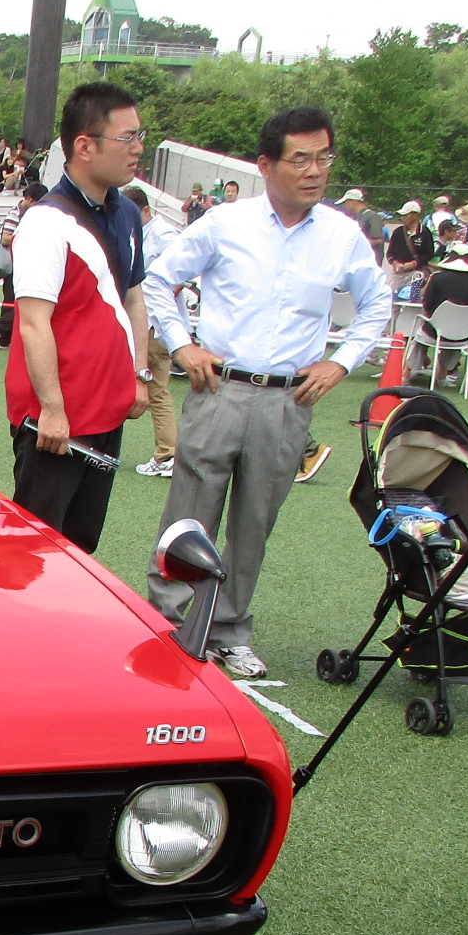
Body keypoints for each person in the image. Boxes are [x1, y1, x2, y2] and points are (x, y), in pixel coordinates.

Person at [142, 105, 390, 679]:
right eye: (299, 158)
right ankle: (170, 621)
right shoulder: (226, 223)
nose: (314, 170)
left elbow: (378, 302)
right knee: (189, 513)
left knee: (255, 519)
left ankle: (228, 628)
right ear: (266, 165)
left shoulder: (340, 235)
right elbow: (160, 280)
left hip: (289, 400)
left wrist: (341, 362)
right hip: (219, 388)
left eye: (323, 157)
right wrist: (181, 345)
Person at [4, 82, 151, 554]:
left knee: (81, 546)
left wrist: (140, 376)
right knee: (35, 548)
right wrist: (51, 408)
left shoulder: (127, 213)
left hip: (107, 410)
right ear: (84, 146)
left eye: (139, 135)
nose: (138, 148)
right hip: (56, 420)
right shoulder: (46, 221)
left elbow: (134, 300)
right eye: (127, 137)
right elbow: (33, 323)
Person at [125, 186, 179, 478]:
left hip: (154, 326)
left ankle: (168, 453)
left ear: (144, 210)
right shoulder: (145, 234)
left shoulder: (165, 235)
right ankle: (167, 452)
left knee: (155, 391)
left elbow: (179, 275)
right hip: (145, 324)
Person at [409, 243, 468, 387]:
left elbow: (426, 305)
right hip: (463, 335)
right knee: (453, 330)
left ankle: (407, 372)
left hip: (434, 332)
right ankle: (443, 374)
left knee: (421, 332)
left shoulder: (437, 278)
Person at [0, 180, 47, 350]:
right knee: (16, 301)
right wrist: (26, 236)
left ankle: (4, 337)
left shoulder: (32, 214)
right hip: (14, 264)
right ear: (28, 199)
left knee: (13, 300)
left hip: (25, 262)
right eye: (38, 202)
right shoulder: (15, 214)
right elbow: (6, 237)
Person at [386, 199, 434, 280]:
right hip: (398, 274)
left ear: (415, 215)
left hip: (416, 273)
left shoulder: (425, 232)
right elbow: (390, 254)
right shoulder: (398, 232)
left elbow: (429, 254)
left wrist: (415, 263)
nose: (403, 218)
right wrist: (394, 263)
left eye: (406, 215)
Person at [337, 188, 385, 265]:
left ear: (351, 202)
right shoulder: (356, 217)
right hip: (357, 260)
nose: (344, 206)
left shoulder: (372, 216)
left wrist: (353, 244)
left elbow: (378, 240)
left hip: (370, 262)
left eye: (345, 203)